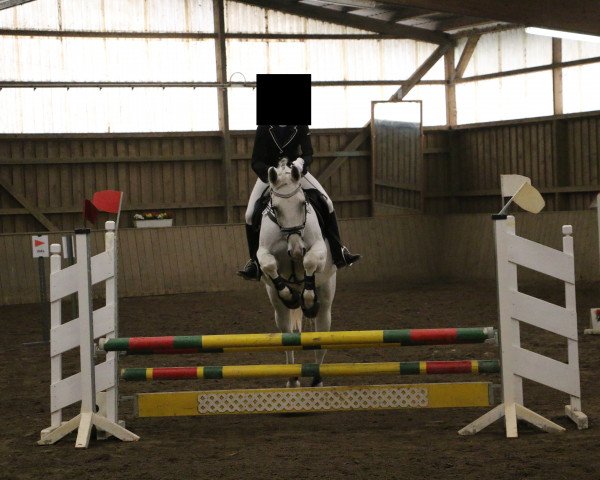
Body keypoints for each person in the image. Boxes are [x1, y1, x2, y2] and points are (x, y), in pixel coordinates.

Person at [238, 124, 361, 280]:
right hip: (272, 175)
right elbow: (255, 161)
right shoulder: (264, 127)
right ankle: (254, 263)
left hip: (296, 173)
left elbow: (309, 153)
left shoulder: (300, 125)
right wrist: (270, 172)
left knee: (328, 203)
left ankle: (339, 252)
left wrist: (301, 162)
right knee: (249, 215)